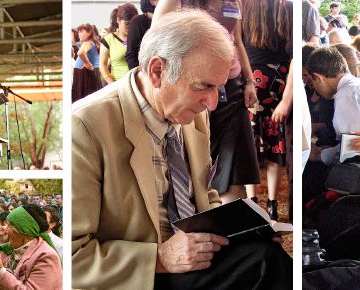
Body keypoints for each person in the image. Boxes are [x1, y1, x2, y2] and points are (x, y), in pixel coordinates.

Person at [71, 11, 291, 289]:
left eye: (219, 89)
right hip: (138, 277)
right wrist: (159, 258)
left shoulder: (191, 115)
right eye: (204, 86)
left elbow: (203, 195)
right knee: (265, 264)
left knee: (265, 254)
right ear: (157, 71)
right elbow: (72, 256)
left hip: (191, 261)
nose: (212, 104)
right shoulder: (84, 127)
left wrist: (241, 231)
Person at [155, 0, 261, 202]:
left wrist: (249, 81)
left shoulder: (234, 2)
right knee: (200, 158)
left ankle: (232, 224)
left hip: (231, 85)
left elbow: (237, 42)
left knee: (235, 165)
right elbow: (154, 47)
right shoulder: (173, 2)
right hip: (193, 86)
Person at [243, 0, 292, 220]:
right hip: (278, 82)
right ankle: (272, 205)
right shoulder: (286, 7)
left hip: (251, 80)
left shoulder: (244, 7)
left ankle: (252, 203)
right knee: (275, 144)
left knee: (249, 146)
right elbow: (292, 57)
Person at [306, 46, 360, 147]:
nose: (315, 87)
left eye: (312, 81)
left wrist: (321, 155)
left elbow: (356, 147)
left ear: (319, 77)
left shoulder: (345, 95)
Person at [0, 206, 61, 290]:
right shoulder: (9, 250)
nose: (6, 230)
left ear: (22, 230)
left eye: (9, 226)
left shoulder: (46, 256)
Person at [99, 3, 139, 84]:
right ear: (118, 20)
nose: (130, 26)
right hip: (118, 84)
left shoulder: (139, 37)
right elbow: (103, 65)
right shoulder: (108, 40)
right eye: (127, 23)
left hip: (138, 84)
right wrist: (112, 84)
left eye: (133, 23)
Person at [125, 0, 159, 69]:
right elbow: (131, 55)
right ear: (153, 1)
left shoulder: (168, 21)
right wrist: (139, 77)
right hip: (144, 73)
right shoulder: (138, 22)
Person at [73, 23, 101, 103]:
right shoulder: (96, 43)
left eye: (81, 31)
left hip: (85, 73)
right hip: (90, 72)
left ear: (89, 33)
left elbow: (81, 53)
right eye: (78, 32)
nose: (79, 34)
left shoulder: (87, 43)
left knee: (82, 99)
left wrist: (87, 63)